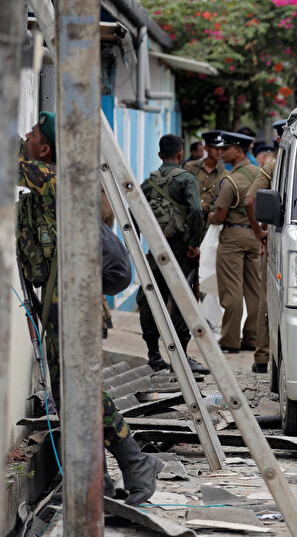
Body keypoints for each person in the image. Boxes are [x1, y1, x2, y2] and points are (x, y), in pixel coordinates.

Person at [16, 112, 163, 505]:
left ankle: (135, 463)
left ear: (44, 148)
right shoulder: (53, 186)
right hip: (58, 307)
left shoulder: (53, 180)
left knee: (85, 393)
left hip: (75, 308)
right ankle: (99, 483)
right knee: (69, 398)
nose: (26, 135)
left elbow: (10, 161)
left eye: (32, 133)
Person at [136, 134, 209, 374]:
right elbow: (196, 210)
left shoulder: (148, 183)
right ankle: (183, 356)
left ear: (159, 155)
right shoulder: (187, 179)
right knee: (181, 298)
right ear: (180, 154)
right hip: (180, 248)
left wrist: (139, 248)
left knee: (149, 297)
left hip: (156, 249)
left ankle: (154, 355)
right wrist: (194, 243)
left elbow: (133, 212)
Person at [209, 131, 263, 354]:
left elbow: (220, 217)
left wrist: (210, 217)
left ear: (239, 150)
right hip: (255, 235)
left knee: (231, 291)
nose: (222, 152)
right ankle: (252, 338)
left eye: (227, 148)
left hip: (232, 239)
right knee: (255, 291)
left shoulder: (230, 180)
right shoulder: (260, 174)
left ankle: (230, 340)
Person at [244, 119, 286, 374]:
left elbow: (250, 201)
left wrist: (260, 232)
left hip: (276, 241)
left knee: (266, 297)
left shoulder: (272, 166)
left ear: (279, 140)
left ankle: (262, 357)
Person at [185, 131, 228, 239]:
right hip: (189, 223)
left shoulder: (225, 175)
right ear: (206, 148)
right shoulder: (190, 167)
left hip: (210, 226)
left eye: (221, 148)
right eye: (215, 148)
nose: (219, 152)